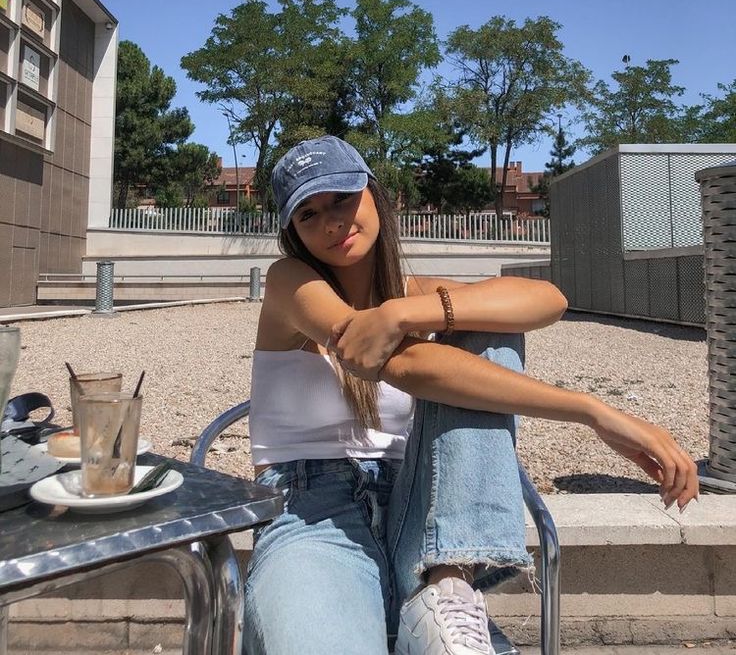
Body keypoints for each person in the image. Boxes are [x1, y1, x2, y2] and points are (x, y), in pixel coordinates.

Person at [244, 136, 698, 655]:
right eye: (309, 214)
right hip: (311, 512)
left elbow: (547, 299)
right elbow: (408, 365)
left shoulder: (410, 294)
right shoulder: (290, 284)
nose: (332, 222)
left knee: (489, 329)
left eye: (343, 198)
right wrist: (590, 410)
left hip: (420, 509)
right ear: (294, 233)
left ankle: (446, 584)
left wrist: (403, 312)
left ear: (374, 194)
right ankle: (441, 594)